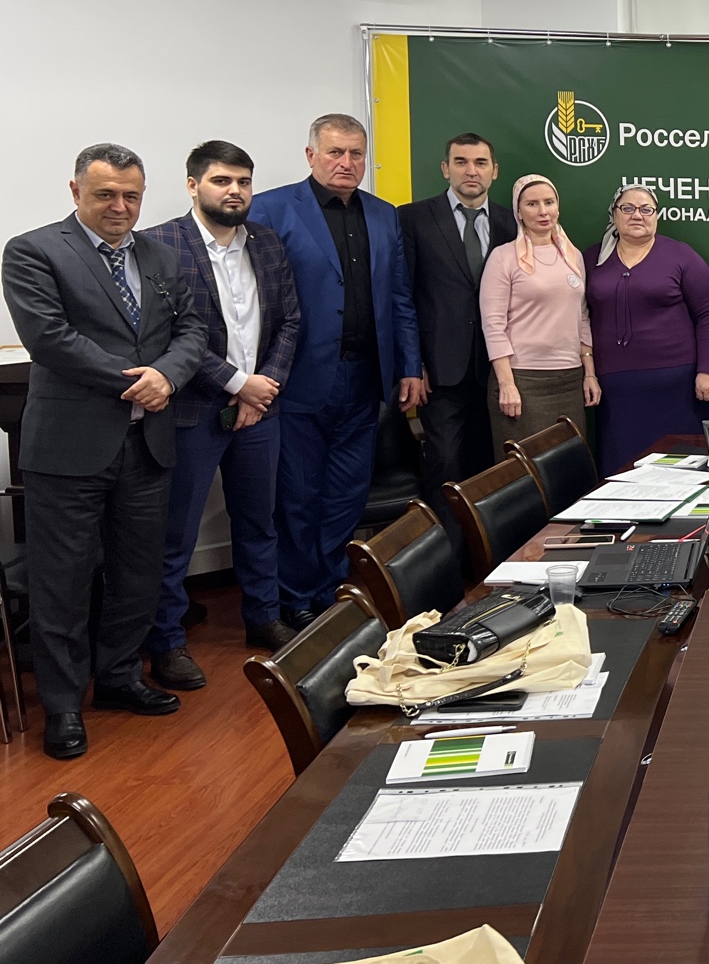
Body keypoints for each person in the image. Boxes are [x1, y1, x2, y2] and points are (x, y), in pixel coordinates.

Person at [3, 143, 207, 759]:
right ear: (76, 192)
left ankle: (119, 678)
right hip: (69, 448)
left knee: (136, 574)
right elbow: (51, 339)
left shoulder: (161, 256)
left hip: (146, 444)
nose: (120, 206)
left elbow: (193, 328)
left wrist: (168, 374)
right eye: (106, 194)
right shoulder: (34, 251)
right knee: (62, 582)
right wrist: (138, 381)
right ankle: (64, 705)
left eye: (131, 196)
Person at [250, 115, 424, 626]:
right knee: (297, 496)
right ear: (311, 155)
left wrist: (409, 365)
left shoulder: (384, 215)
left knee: (347, 494)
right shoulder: (271, 209)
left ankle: (329, 588)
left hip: (365, 378)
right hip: (297, 379)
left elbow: (399, 297)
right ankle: (296, 596)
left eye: (356, 153)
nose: (346, 163)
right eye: (335, 152)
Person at [145, 141, 303, 685]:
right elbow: (166, 334)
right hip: (191, 410)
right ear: (193, 185)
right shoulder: (160, 243)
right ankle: (167, 642)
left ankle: (263, 616)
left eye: (243, 182)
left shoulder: (267, 241)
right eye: (221, 181)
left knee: (259, 522)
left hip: (260, 411)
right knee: (176, 535)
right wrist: (239, 384)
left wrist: (264, 388)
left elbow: (290, 321)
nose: (234, 191)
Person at [398, 133, 515, 533]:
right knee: (445, 464)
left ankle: (484, 553)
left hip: (496, 371)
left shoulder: (511, 222)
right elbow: (403, 296)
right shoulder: (413, 218)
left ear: (494, 171)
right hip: (439, 369)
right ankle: (446, 555)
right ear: (446, 169)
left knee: (490, 468)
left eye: (480, 163)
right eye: (461, 162)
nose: (471, 171)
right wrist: (413, 364)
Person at [587, 182, 709, 471]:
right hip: (615, 393)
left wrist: (708, 370)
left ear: (656, 215)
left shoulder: (681, 256)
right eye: (628, 208)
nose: (637, 215)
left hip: (677, 389)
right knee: (621, 470)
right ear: (614, 214)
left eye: (646, 209)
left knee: (679, 470)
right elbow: (578, 316)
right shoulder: (592, 259)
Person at [480, 174, 597, 456]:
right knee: (524, 471)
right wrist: (507, 384)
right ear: (518, 212)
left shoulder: (573, 256)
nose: (543, 211)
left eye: (549, 202)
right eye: (532, 204)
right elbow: (493, 324)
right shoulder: (503, 257)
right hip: (523, 380)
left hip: (569, 380)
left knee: (569, 466)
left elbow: (581, 316)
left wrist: (589, 373)